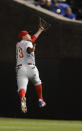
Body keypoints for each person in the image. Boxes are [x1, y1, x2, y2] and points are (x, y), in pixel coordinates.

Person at [16, 26, 46, 113]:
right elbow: (29, 48)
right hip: (30, 67)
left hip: (20, 69)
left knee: (22, 88)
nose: (29, 35)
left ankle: (22, 98)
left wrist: (40, 31)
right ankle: (40, 100)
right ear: (23, 36)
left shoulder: (18, 44)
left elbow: (32, 39)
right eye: (27, 34)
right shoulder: (27, 43)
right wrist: (32, 49)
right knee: (37, 82)